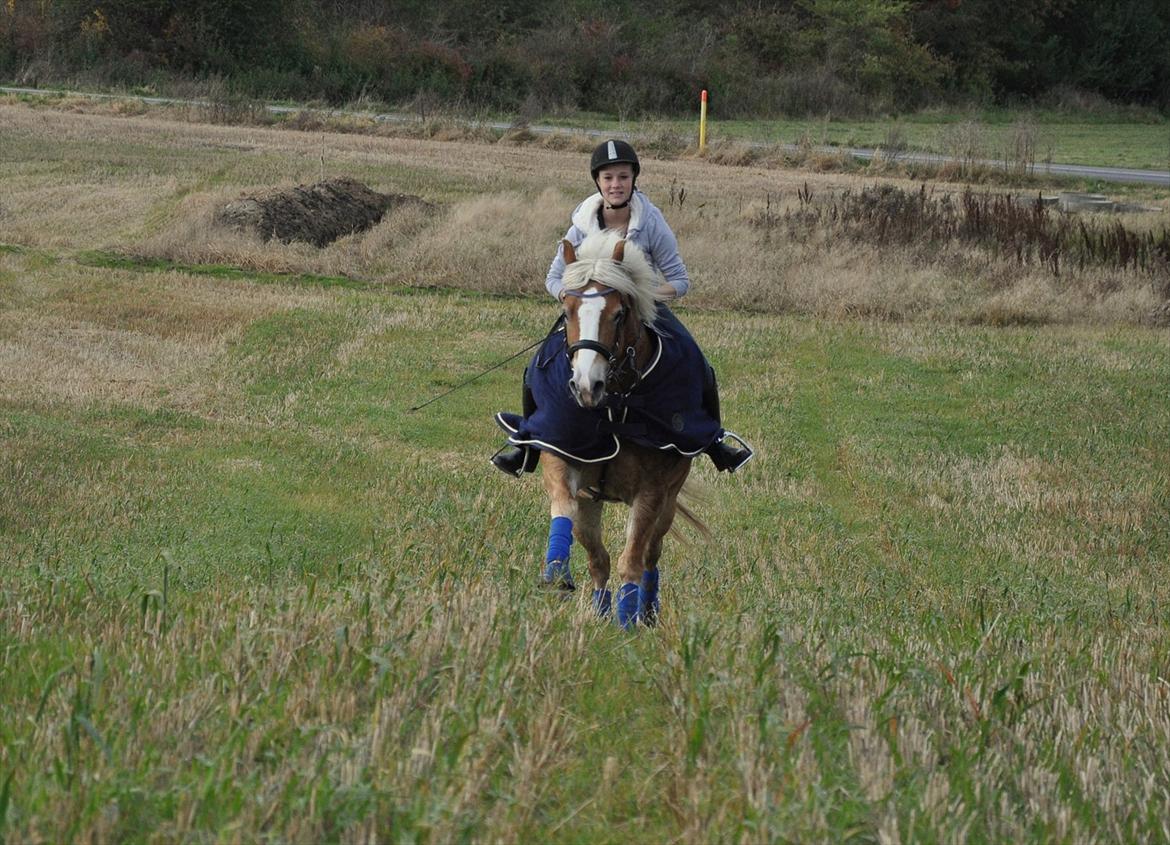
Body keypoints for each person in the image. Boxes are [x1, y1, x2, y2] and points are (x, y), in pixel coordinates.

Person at [491, 138, 753, 476]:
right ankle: (526, 444)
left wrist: (640, 294)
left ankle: (714, 441)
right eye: (609, 178)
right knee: (538, 365)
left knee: (695, 358)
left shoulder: (652, 223)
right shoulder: (580, 225)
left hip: (642, 310)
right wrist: (575, 301)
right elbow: (554, 278)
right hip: (589, 312)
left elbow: (680, 280)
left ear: (634, 180)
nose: (616, 185)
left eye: (623, 177)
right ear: (598, 182)